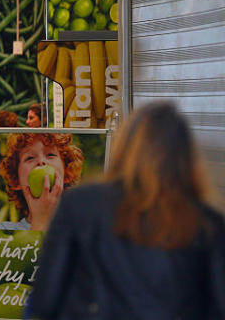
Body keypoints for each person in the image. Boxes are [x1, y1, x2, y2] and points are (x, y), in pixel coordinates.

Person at [28, 102, 225, 319]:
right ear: (187, 158)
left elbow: (44, 300)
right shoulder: (207, 223)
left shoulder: (79, 205)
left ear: (124, 146)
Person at [0, 132, 84, 232]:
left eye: (50, 155)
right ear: (16, 181)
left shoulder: (80, 229)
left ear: (67, 171)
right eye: (30, 158)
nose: (41, 161)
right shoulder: (7, 231)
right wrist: (40, 220)